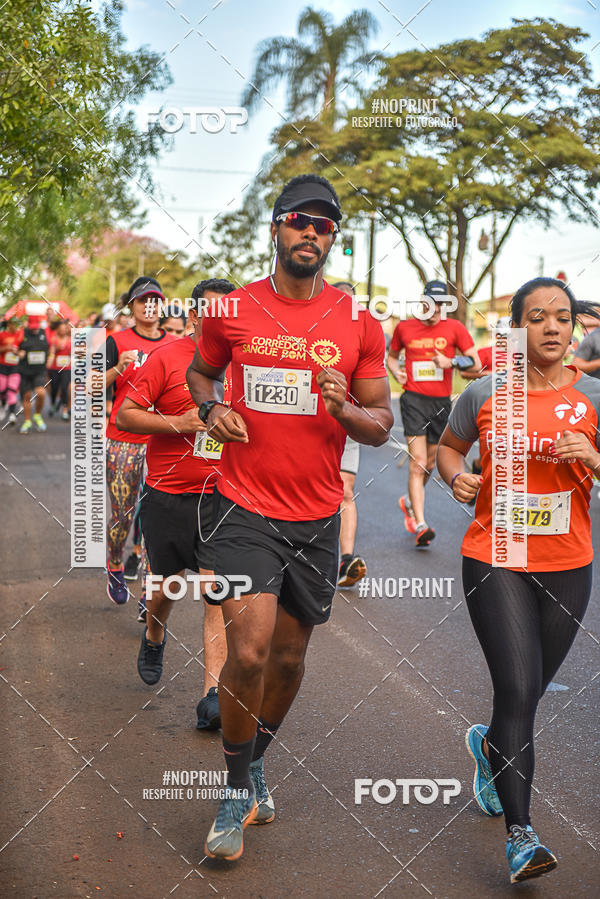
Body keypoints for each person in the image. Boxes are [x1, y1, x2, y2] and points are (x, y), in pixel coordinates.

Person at [187, 173, 393, 861]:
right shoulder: (232, 309)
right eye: (299, 220)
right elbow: (200, 373)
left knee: (289, 656)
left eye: (325, 225)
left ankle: (257, 760)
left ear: (333, 240)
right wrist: (212, 408)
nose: (311, 232)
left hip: (315, 514)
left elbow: (381, 424)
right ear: (276, 228)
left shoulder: (358, 323)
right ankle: (233, 787)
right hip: (243, 503)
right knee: (246, 648)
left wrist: (345, 410)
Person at [437, 277, 600, 884]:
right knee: (518, 689)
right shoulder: (483, 392)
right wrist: (455, 478)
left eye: (563, 317)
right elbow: (450, 450)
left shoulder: (595, 398)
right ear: (517, 328)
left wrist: (594, 458)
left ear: (574, 327)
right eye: (537, 317)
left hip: (568, 562)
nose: (553, 327)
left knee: (524, 698)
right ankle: (522, 835)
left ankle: (488, 748)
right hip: (495, 554)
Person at [117, 278, 236, 729]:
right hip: (168, 494)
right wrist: (178, 421)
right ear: (192, 317)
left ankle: (213, 695)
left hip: (224, 496)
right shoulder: (167, 358)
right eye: (212, 312)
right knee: (166, 584)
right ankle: (154, 631)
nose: (222, 321)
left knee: (216, 592)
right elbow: (126, 413)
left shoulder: (247, 365)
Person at [387, 281, 479, 546]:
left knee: (429, 463)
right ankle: (421, 524)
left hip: (440, 403)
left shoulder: (455, 329)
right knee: (417, 463)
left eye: (442, 305)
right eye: (432, 303)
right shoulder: (405, 327)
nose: (437, 310)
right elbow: (391, 356)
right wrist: (396, 371)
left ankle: (409, 503)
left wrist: (451, 361)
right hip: (413, 399)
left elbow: (475, 360)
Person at [103, 277, 173, 605]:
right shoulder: (115, 340)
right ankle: (115, 563)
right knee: (123, 515)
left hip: (161, 442)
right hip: (123, 441)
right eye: (142, 299)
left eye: (155, 299)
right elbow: (87, 386)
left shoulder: (173, 343)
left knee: (153, 518)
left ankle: (148, 590)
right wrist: (119, 367)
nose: (149, 305)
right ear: (131, 306)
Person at [332, 282, 368, 587]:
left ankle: (345, 560)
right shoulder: (313, 330)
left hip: (348, 423)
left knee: (345, 490)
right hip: (309, 427)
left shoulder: (363, 335)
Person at [17, 315, 49, 434]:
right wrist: (18, 352)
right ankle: (27, 421)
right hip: (25, 370)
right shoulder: (22, 333)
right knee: (27, 396)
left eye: (37, 327)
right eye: (32, 327)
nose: (35, 329)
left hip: (39, 370)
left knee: (41, 393)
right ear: (28, 325)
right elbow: (15, 348)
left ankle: (37, 415)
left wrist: (50, 356)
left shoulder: (44, 333)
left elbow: (50, 347)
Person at [0, 317, 24, 426]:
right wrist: (5, 348)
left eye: (16, 323)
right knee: (2, 389)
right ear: (9, 324)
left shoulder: (21, 335)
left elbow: (24, 350)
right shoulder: (2, 335)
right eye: (13, 323)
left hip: (15, 367)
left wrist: (18, 352)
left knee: (12, 390)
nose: (15, 326)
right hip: (2, 366)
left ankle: (12, 414)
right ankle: (3, 402)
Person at [46, 320, 72, 420]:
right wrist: (56, 348)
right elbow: (51, 352)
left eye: (64, 329)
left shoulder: (70, 340)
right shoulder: (53, 339)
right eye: (60, 329)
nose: (63, 331)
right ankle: (53, 403)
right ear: (57, 330)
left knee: (65, 388)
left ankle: (64, 410)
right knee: (54, 388)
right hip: (54, 368)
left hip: (66, 368)